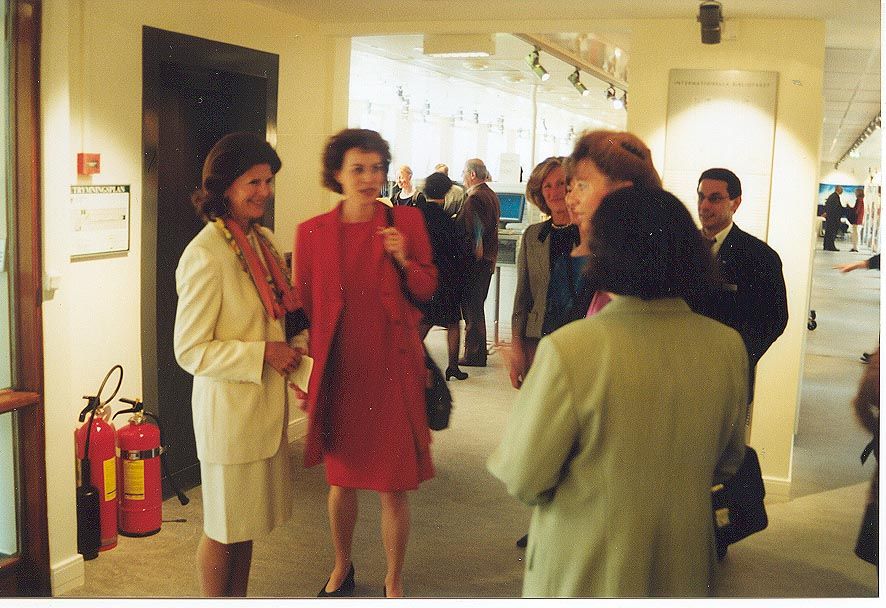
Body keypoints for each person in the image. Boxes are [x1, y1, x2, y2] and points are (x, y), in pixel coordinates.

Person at [488, 186, 748, 597]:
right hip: (684, 565)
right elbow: (728, 460)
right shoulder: (727, 346)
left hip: (586, 566)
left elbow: (525, 476)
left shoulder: (571, 348)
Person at [293, 128, 437, 598]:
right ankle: (341, 566)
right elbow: (304, 311)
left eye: (377, 168)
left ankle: (394, 579)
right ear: (337, 174)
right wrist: (303, 377)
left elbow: (427, 288)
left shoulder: (408, 223)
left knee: (394, 484)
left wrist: (403, 259)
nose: (370, 178)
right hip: (340, 372)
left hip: (392, 369)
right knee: (342, 482)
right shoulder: (311, 232)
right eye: (358, 168)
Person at [173, 132, 306, 597]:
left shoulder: (262, 240)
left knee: (245, 527)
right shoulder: (205, 255)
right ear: (224, 186)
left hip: (263, 409)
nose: (264, 192)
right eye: (253, 182)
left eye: (268, 181)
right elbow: (189, 350)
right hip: (229, 415)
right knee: (223, 526)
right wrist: (263, 354)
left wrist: (296, 345)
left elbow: (278, 316)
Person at [693, 168, 788, 411]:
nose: (704, 206)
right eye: (701, 197)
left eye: (715, 198)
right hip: (679, 376)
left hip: (729, 383)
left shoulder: (760, 257)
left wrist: (738, 359)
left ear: (736, 203)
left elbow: (775, 319)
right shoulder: (680, 249)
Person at [565, 129, 663, 318]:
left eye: (582, 186)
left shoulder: (642, 270)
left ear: (622, 192)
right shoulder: (594, 260)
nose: (571, 200)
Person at [509, 156, 581, 389]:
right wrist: (516, 345)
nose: (555, 192)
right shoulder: (533, 236)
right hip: (537, 340)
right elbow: (522, 297)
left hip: (580, 339)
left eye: (561, 183)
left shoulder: (590, 234)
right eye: (547, 186)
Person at [417, 171, 470, 381]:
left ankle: (415, 359)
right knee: (453, 322)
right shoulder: (448, 221)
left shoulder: (416, 215)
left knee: (423, 322)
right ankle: (453, 366)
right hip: (446, 279)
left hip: (422, 277)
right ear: (447, 193)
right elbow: (456, 252)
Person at [457, 158, 500, 367]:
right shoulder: (491, 195)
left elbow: (476, 232)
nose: (462, 177)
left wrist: (475, 252)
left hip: (476, 262)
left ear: (472, 175)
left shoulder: (475, 198)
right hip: (487, 260)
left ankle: (474, 354)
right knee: (477, 307)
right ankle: (477, 352)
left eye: (464, 172)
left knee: (472, 308)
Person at [823, 185, 844, 251]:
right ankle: (831, 246)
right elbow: (836, 208)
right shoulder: (835, 197)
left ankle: (826, 246)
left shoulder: (832, 196)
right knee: (831, 232)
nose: (842, 191)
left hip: (830, 218)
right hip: (833, 219)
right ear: (838, 189)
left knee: (828, 232)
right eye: (841, 189)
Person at [850, 186, 865, 252]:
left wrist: (851, 209)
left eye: (856, 192)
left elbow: (857, 210)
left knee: (856, 234)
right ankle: (855, 247)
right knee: (856, 233)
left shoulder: (859, 200)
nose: (855, 193)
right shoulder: (861, 200)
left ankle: (855, 247)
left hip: (857, 220)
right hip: (858, 219)